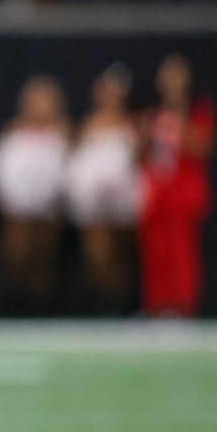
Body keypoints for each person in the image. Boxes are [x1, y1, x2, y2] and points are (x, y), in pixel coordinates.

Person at [138, 53, 216, 317]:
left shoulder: (198, 109)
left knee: (182, 251)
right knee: (156, 251)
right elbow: (142, 150)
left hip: (185, 188)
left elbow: (202, 146)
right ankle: (156, 306)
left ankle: (184, 305)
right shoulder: (151, 113)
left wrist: (177, 118)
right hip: (157, 188)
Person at [0, 74, 70, 312]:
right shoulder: (12, 134)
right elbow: (0, 170)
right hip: (18, 211)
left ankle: (46, 306)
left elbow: (69, 170)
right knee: (18, 252)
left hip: (51, 212)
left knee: (44, 256)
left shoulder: (63, 134)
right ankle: (17, 305)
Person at [64, 63, 140, 313]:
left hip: (123, 202)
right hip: (93, 203)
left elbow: (139, 161)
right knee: (97, 255)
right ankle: (101, 306)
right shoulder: (88, 124)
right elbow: (77, 159)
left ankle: (122, 307)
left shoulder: (134, 124)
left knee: (122, 256)